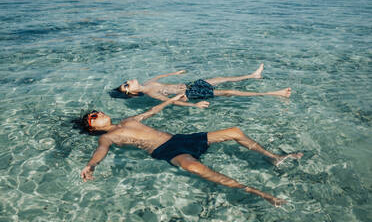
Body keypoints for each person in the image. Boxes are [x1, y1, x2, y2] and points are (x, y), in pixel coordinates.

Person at [80, 94, 303, 206]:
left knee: (234, 131)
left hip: (180, 139)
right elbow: (101, 152)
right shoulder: (108, 137)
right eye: (93, 116)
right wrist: (91, 166)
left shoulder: (129, 119)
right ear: (91, 127)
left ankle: (274, 158)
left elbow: (153, 110)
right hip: (166, 151)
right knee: (194, 167)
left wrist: (173, 99)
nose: (98, 113)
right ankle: (260, 193)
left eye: (97, 111)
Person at [113, 64, 291, 108]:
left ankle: (253, 75)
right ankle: (276, 93)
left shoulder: (148, 83)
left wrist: (175, 74)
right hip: (191, 93)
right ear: (132, 92)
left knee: (221, 78)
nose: (128, 80)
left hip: (189, 84)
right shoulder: (151, 93)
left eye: (126, 81)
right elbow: (171, 102)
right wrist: (193, 104)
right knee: (228, 92)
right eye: (126, 84)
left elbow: (161, 76)